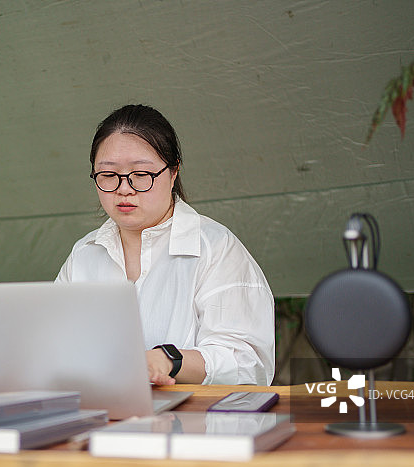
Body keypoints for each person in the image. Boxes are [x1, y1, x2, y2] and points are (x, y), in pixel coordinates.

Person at [56, 104, 275, 386]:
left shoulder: (215, 248)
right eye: (108, 176)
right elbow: (55, 346)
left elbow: (249, 363)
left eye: (141, 175)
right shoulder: (84, 254)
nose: (124, 188)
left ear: (173, 173)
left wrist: (169, 360)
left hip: (194, 423)